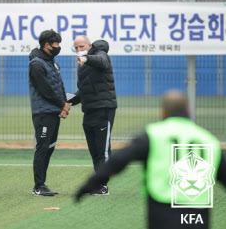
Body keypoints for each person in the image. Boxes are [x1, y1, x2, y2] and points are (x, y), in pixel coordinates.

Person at [75, 90, 226, 229]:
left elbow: (120, 160)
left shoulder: (153, 134)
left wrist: (89, 184)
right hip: (198, 214)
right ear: (188, 110)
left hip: (163, 210)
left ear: (163, 112)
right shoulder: (208, 139)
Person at [68, 36, 117, 195]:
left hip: (103, 108)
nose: (79, 50)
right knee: (94, 150)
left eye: (81, 46)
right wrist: (66, 101)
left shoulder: (100, 54)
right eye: (76, 48)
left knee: (102, 150)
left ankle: (103, 185)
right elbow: (84, 90)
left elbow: (101, 61)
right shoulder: (82, 64)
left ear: (89, 45)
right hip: (89, 110)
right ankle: (98, 182)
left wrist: (86, 58)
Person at [28, 29, 71, 196]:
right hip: (43, 113)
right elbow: (45, 90)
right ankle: (38, 186)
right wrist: (62, 104)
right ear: (46, 45)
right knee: (43, 147)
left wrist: (64, 106)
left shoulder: (52, 62)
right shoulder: (36, 64)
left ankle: (42, 184)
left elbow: (58, 86)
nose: (58, 47)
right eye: (56, 44)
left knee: (50, 148)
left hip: (53, 111)